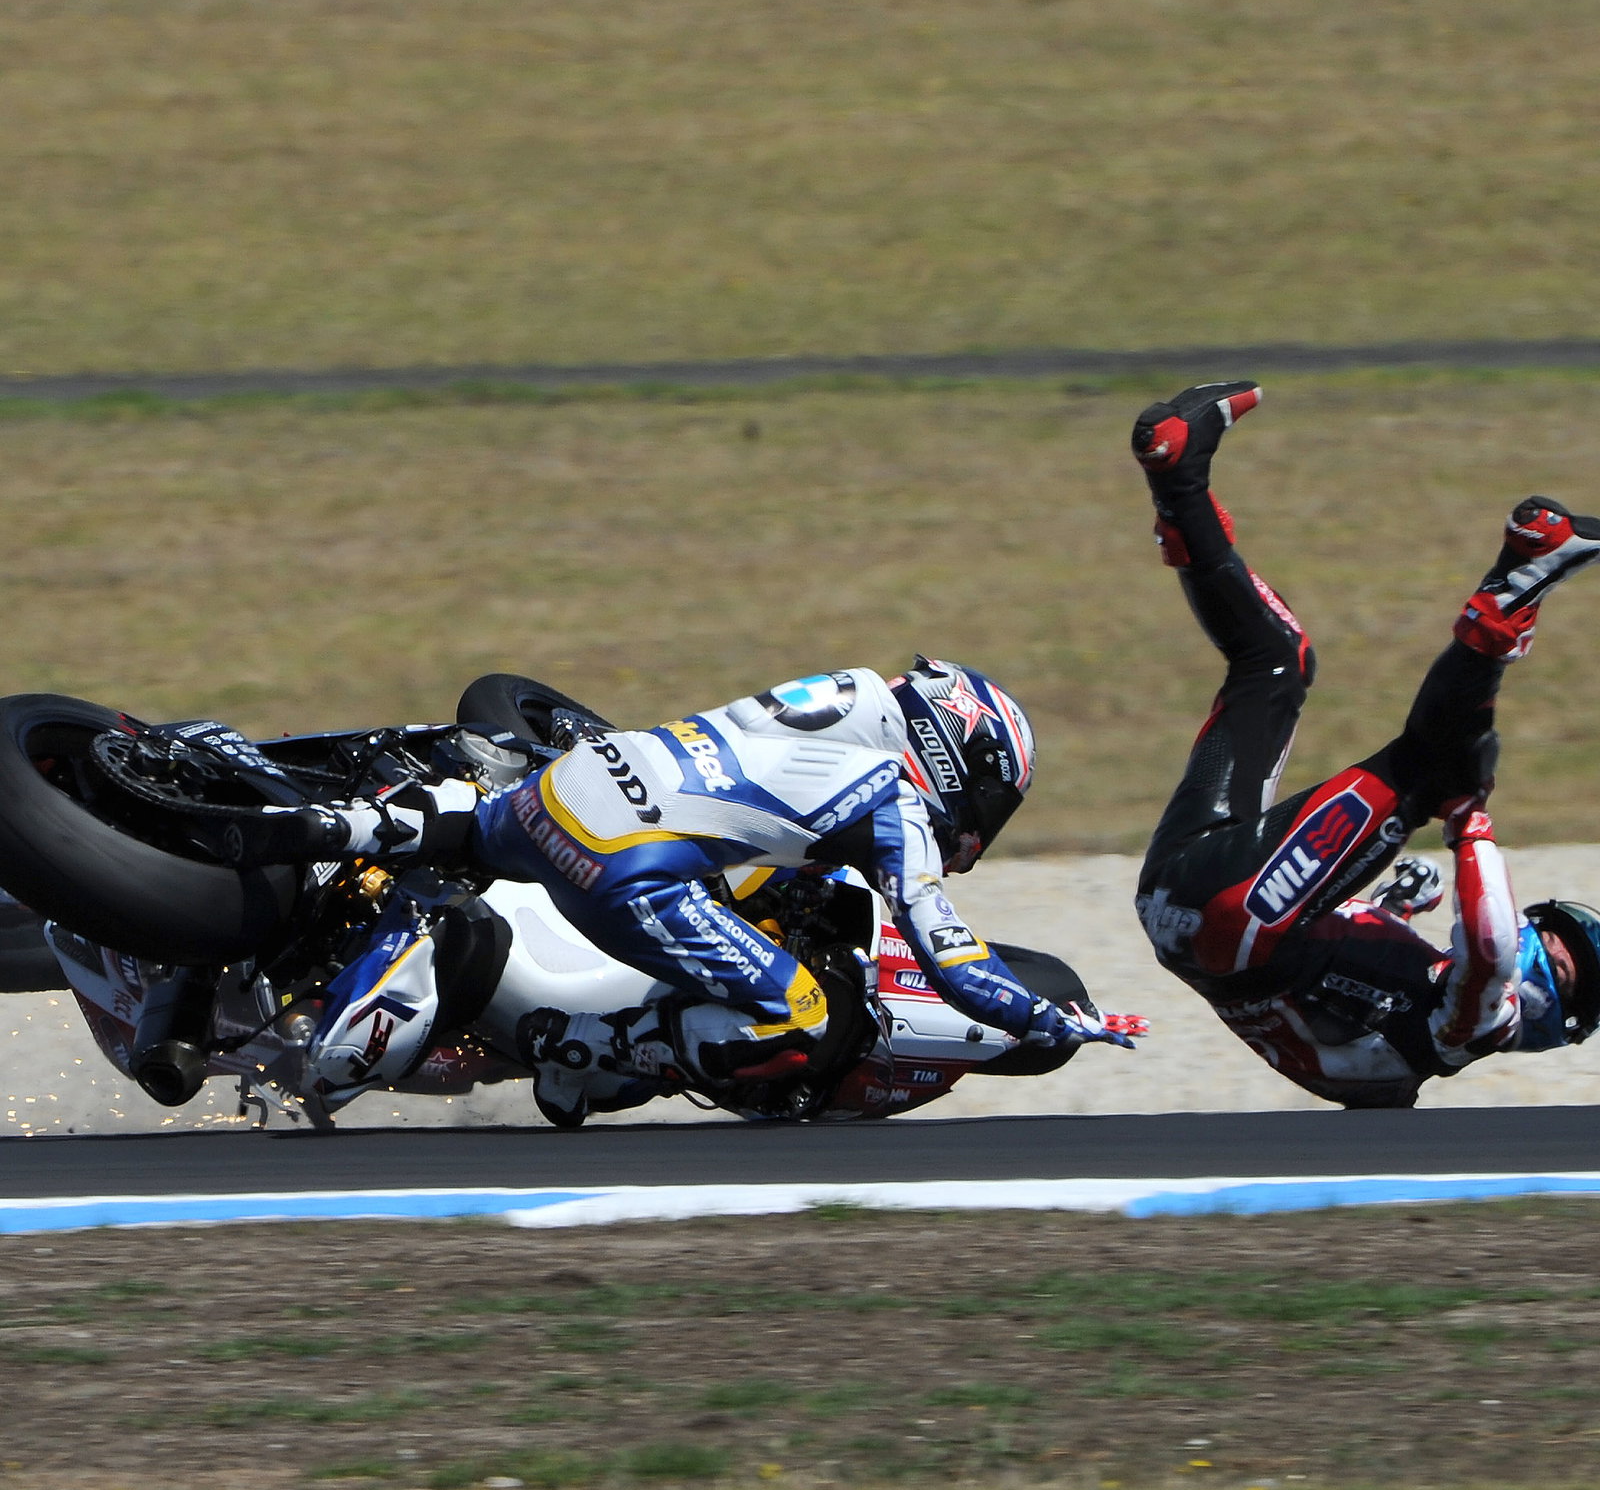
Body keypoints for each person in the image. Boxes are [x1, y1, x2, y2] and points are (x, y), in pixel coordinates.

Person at [225, 658, 1133, 1123]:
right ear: (957, 763)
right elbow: (950, 955)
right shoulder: (898, 804)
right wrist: (1043, 1020)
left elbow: (748, 806)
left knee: (474, 813)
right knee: (801, 1015)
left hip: (578, 780)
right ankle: (567, 1047)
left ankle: (324, 826)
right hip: (630, 875)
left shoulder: (837, 700)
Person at [1129, 380, 1600, 1107]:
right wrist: (1397, 910)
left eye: (1564, 969)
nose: (1549, 951)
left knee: (1433, 768)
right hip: (1175, 901)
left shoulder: (1475, 1028)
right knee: (1274, 660)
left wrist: (1469, 824)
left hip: (1240, 924)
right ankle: (1177, 476)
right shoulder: (1422, 1017)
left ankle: (1519, 577)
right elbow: (1346, 982)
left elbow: (1492, 949)